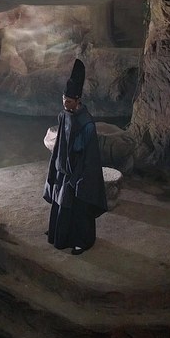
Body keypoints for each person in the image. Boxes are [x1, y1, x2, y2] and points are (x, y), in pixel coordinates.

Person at [43, 58, 108, 255]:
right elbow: (61, 142)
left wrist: (77, 178)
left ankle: (83, 241)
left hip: (79, 172)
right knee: (59, 200)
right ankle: (58, 233)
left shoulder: (87, 124)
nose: (65, 103)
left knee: (78, 207)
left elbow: (89, 156)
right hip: (63, 168)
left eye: (69, 101)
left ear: (78, 100)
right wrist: (56, 165)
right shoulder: (64, 114)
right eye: (63, 99)